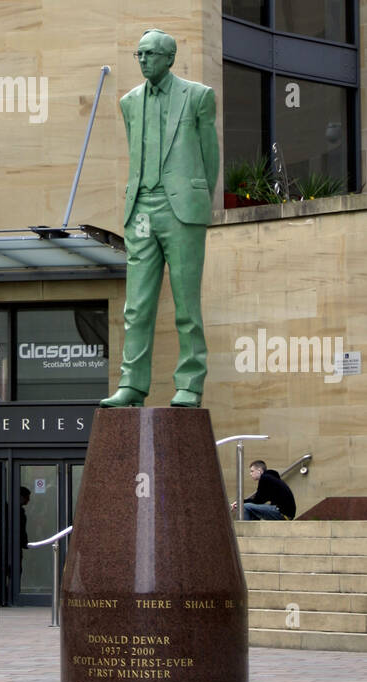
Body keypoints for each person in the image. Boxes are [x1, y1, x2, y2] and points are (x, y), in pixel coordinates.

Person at [101, 28, 219, 409]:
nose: (143, 60)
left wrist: (197, 201)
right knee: (136, 305)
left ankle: (189, 383)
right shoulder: (129, 103)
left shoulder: (198, 97)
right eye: (138, 54)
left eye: (150, 53)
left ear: (170, 58)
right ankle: (132, 385)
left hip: (180, 210)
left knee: (187, 303)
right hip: (141, 210)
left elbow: (210, 156)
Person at [232, 461, 296, 521]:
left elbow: (257, 501)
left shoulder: (265, 478)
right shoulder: (271, 478)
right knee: (253, 510)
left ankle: (244, 530)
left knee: (245, 507)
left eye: (252, 471)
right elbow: (261, 500)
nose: (250, 474)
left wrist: (241, 503)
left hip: (282, 513)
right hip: (287, 513)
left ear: (259, 471)